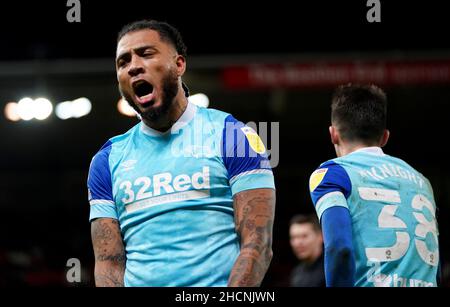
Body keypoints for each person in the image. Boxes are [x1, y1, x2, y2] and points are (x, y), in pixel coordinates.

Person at [87, 19, 276, 287]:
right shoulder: (106, 160)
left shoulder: (232, 134)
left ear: (179, 65)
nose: (134, 66)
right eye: (123, 62)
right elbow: (108, 263)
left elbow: (258, 243)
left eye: (146, 53)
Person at [309, 84, 440, 287]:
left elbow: (339, 248)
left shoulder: (332, 174)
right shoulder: (422, 182)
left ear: (333, 134)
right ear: (385, 137)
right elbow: (435, 263)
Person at [288, 214, 325, 287]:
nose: (298, 243)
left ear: (321, 236)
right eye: (294, 238)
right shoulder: (297, 273)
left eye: (304, 236)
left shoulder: (331, 269)